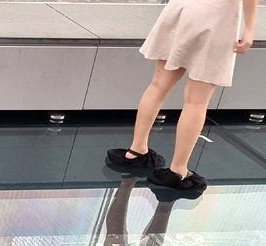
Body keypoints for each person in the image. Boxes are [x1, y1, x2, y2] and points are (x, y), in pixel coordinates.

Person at [107, 0, 257, 191]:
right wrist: (250, 28)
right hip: (217, 16)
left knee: (158, 85)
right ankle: (178, 170)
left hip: (182, 9)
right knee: (196, 101)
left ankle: (136, 150)